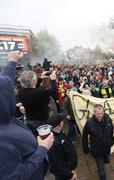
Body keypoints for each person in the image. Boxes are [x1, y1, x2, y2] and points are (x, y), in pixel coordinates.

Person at [0, 51, 54, 180]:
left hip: (30, 122)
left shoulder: (23, 93)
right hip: (39, 123)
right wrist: (42, 149)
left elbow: (5, 83)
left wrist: (12, 61)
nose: (12, 95)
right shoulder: (2, 141)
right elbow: (15, 177)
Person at [18, 69, 58, 134]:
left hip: (29, 120)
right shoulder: (39, 92)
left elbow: (32, 88)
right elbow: (53, 91)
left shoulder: (21, 92)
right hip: (41, 122)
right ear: (33, 80)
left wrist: (41, 78)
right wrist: (53, 79)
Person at [82, 104, 114, 180]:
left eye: (101, 113)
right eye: (98, 113)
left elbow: (111, 131)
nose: (99, 115)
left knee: (107, 161)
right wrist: (86, 148)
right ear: (94, 113)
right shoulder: (89, 123)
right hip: (97, 150)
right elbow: (84, 136)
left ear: (103, 112)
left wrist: (111, 141)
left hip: (106, 147)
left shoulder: (108, 119)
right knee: (101, 170)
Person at [47, 113, 78, 180]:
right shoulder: (53, 144)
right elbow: (57, 164)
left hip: (69, 168)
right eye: (62, 120)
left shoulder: (58, 133)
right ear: (60, 124)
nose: (63, 121)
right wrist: (70, 176)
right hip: (66, 176)